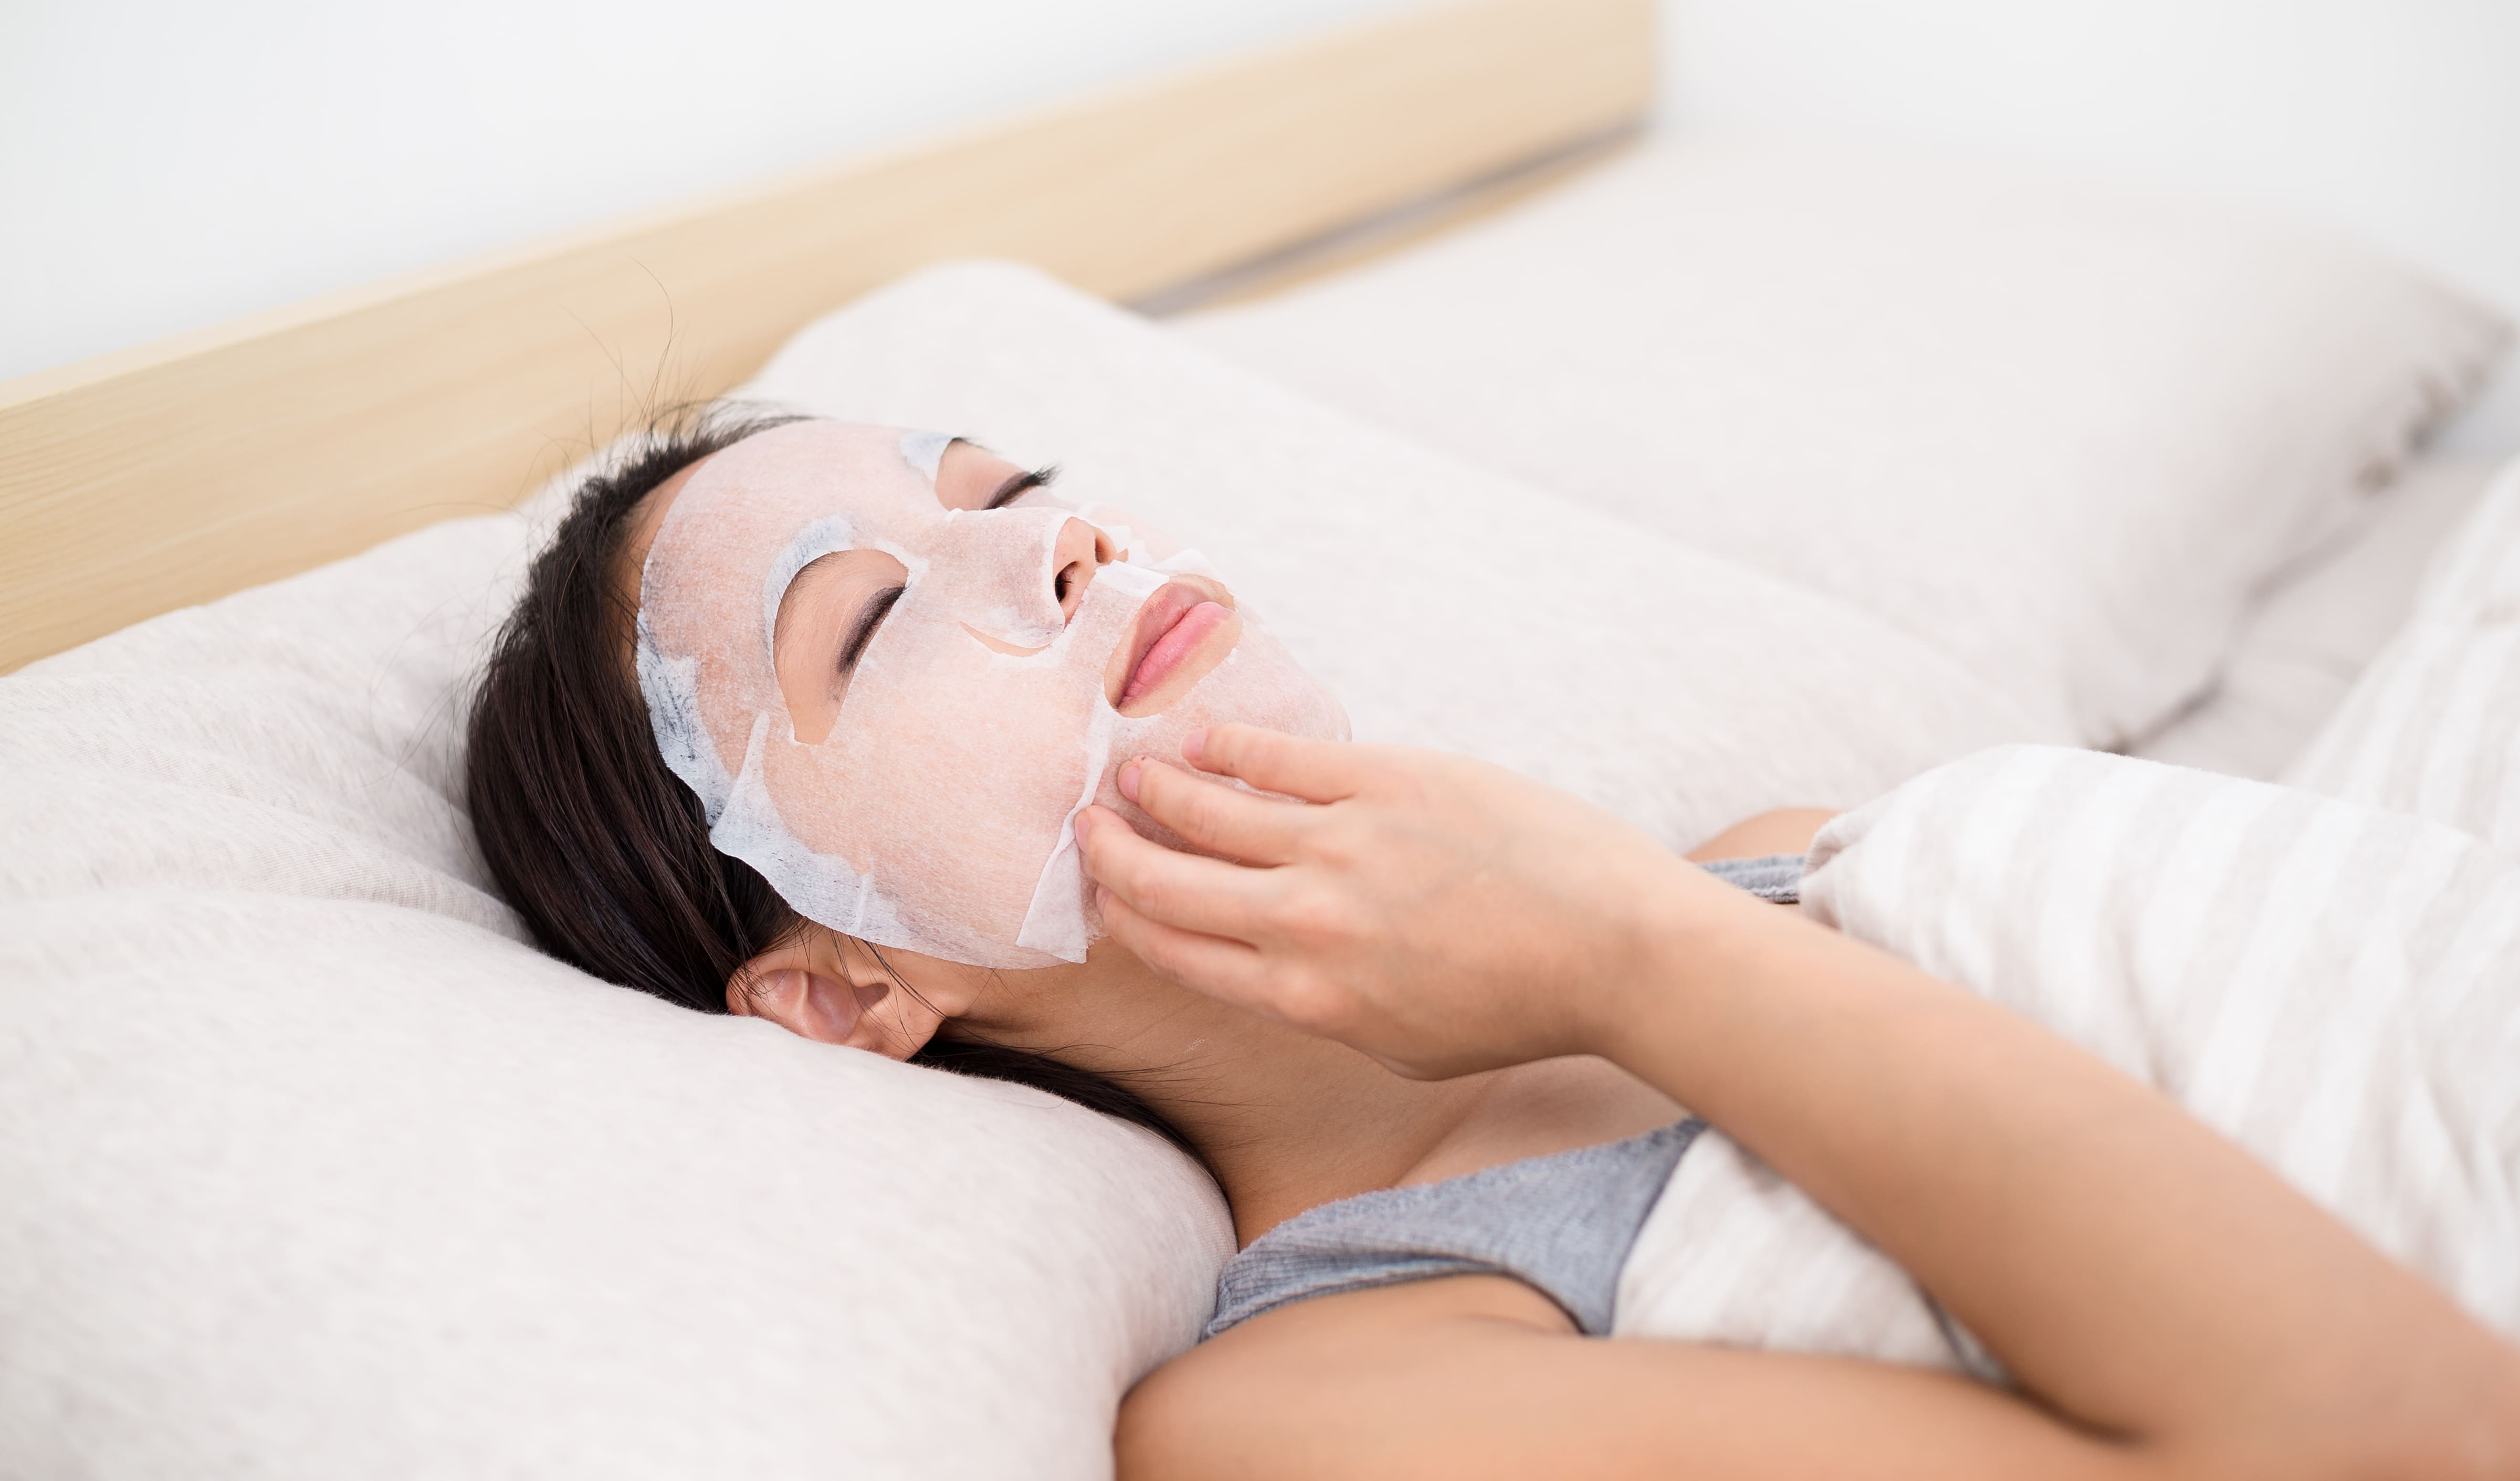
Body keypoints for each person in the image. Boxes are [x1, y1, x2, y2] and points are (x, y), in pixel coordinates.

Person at [466, 411, 2520, 1480]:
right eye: (878, 613)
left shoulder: (1775, 866)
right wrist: (1621, 951)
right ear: (845, 992)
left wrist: (1649, 916)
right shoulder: (1321, 1406)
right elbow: (2411, 1448)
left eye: (1015, 489)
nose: (1056, 542)